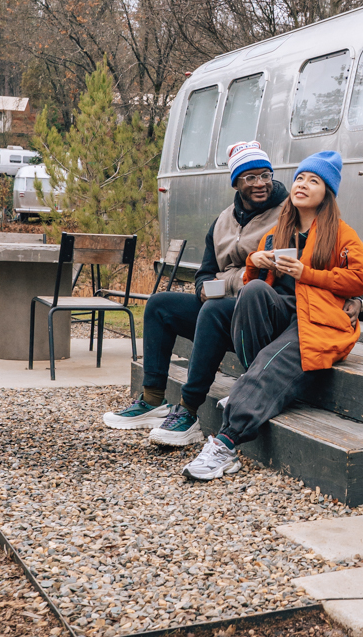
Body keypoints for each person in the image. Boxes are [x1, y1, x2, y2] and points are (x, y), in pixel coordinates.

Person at [182, 150, 363, 480]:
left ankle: (226, 444)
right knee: (251, 294)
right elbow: (252, 286)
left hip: (318, 321)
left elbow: (361, 278)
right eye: (300, 177)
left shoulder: (342, 233)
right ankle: (250, 387)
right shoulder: (277, 233)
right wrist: (256, 263)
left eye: (314, 181)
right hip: (282, 312)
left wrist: (306, 273)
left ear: (327, 193)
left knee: (274, 360)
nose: (303, 184)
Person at [102, 141, 287, 443]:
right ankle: (152, 400)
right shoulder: (223, 221)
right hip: (222, 308)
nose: (261, 183)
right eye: (250, 177)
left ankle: (188, 413)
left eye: (265, 175)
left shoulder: (287, 215)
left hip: (260, 315)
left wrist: (226, 283)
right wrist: (203, 288)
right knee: (160, 305)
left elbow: (268, 275)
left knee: (213, 311)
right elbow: (204, 271)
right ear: (236, 182)